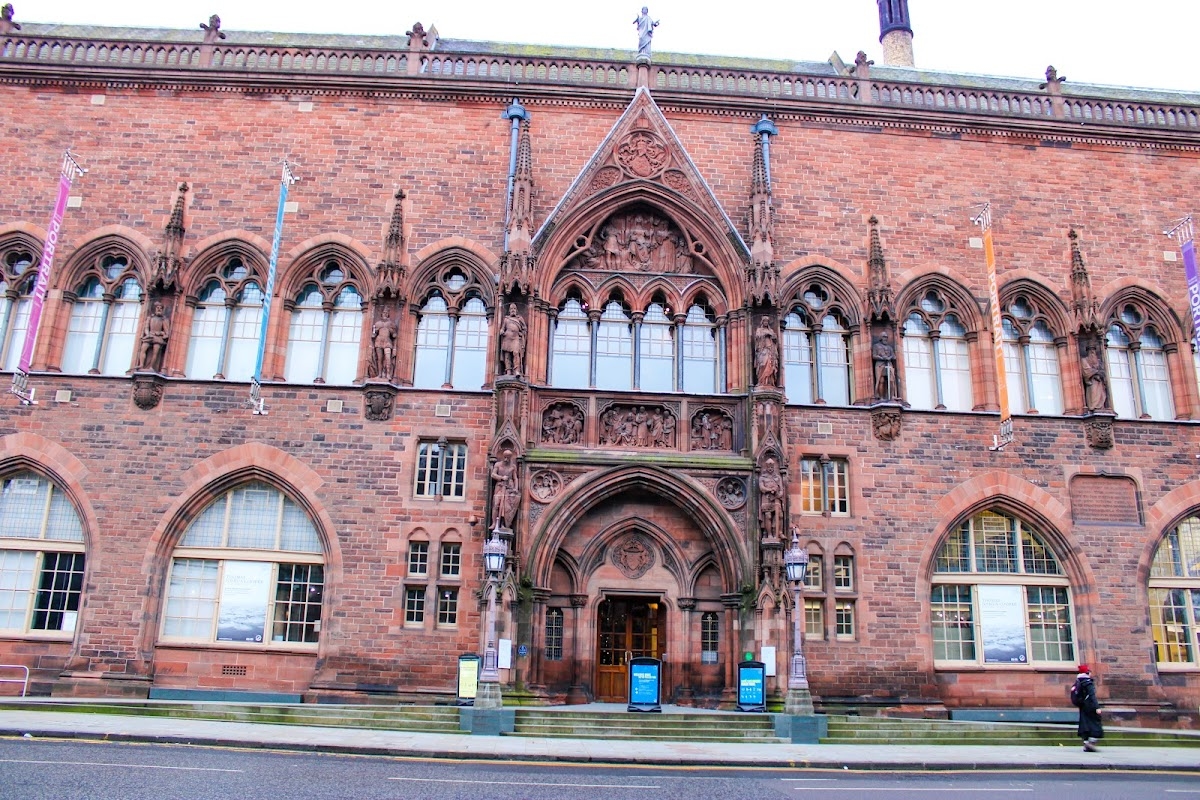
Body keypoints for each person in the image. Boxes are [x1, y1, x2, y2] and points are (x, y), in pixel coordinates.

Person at [1071, 663, 1103, 752]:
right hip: (1090, 706)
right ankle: (1091, 743)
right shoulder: (1088, 683)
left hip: (1082, 706)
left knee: (1084, 724)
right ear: (1087, 673)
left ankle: (1086, 743)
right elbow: (1092, 696)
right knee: (1095, 723)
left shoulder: (1078, 682)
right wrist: (1097, 707)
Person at [490, 449, 520, 532]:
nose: (506, 459)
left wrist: (516, 488)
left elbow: (515, 478)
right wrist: (501, 478)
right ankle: (494, 523)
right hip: (499, 486)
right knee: (496, 504)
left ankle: (504, 524)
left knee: (506, 506)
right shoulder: (498, 464)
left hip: (509, 488)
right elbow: (493, 474)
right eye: (505, 457)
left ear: (510, 458)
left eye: (508, 458)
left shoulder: (513, 466)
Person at [136, 301, 170, 373]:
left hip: (158, 337)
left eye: (160, 308)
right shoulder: (150, 318)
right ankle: (141, 365)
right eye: (158, 308)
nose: (159, 309)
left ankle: (152, 367)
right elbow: (146, 327)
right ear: (155, 309)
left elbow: (166, 331)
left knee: (155, 352)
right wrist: (147, 334)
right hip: (150, 335)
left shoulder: (164, 319)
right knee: (143, 349)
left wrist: (161, 333)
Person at [370, 306, 398, 382]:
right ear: (381, 314)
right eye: (384, 313)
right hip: (379, 341)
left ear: (388, 314)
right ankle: (379, 374)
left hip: (387, 341)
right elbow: (374, 333)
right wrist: (374, 334)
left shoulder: (391, 324)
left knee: (388, 358)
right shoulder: (378, 323)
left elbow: (394, 335)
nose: (385, 314)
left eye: (386, 313)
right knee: (379, 359)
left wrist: (392, 331)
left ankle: (388, 374)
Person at [498, 303, 527, 377]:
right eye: (511, 309)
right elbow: (503, 328)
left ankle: (517, 370)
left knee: (516, 353)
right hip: (507, 338)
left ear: (516, 310)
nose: (513, 310)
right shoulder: (506, 319)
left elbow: (524, 328)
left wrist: (522, 333)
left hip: (515, 338)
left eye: (514, 309)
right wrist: (501, 331)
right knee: (507, 354)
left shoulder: (519, 319)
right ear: (509, 310)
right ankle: (508, 371)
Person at [753, 317, 779, 388]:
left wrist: (773, 337)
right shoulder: (759, 330)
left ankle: (769, 382)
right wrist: (764, 335)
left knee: (770, 364)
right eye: (764, 321)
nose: (766, 323)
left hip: (770, 350)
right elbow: (757, 338)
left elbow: (775, 339)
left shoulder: (771, 330)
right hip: (762, 350)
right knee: (762, 364)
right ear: (762, 322)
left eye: (767, 321)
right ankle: (761, 381)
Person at [872, 329, 897, 400]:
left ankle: (892, 396)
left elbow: (894, 356)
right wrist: (882, 358)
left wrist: (889, 357)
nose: (885, 338)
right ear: (880, 338)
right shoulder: (876, 346)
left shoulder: (889, 347)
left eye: (886, 337)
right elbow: (874, 356)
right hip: (880, 365)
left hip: (889, 364)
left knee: (891, 380)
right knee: (881, 381)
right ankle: (881, 397)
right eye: (884, 337)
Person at [1081, 345, 1107, 411]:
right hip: (1092, 380)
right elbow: (1086, 370)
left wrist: (1100, 374)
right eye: (1090, 350)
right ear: (1088, 351)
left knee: (1101, 394)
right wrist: (1096, 373)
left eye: (1093, 350)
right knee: (1093, 393)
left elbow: (1102, 370)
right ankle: (1093, 407)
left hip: (1099, 382)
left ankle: (1100, 407)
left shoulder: (1098, 361)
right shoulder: (1084, 360)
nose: (1092, 351)